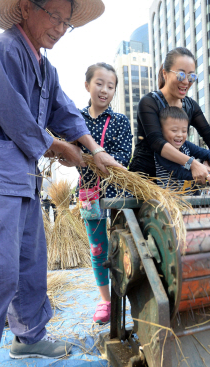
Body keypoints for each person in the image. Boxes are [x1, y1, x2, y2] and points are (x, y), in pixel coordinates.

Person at [0, 1, 124, 366]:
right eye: (54, 16)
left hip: (25, 177)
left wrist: (93, 149)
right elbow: (14, 115)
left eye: (67, 22)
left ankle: (29, 337)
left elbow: (67, 113)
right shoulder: (1, 50)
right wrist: (57, 147)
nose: (60, 27)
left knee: (30, 263)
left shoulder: (47, 67)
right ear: (26, 7)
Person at [77, 62, 132, 325]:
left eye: (110, 86)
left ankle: (127, 294)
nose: (104, 90)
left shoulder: (120, 121)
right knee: (98, 248)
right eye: (99, 83)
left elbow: (123, 157)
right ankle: (105, 301)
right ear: (87, 85)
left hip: (117, 193)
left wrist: (91, 158)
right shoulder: (76, 119)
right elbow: (70, 153)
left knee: (123, 244)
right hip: (89, 194)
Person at [129, 47, 210, 183]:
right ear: (165, 73)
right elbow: (157, 142)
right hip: (146, 180)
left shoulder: (190, 105)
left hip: (178, 182)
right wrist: (193, 164)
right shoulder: (149, 102)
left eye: (191, 76)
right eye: (181, 75)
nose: (186, 82)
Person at [155, 106, 210, 192]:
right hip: (171, 200)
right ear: (161, 130)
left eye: (184, 131)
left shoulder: (186, 145)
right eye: (174, 130)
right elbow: (180, 173)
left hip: (192, 199)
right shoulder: (162, 152)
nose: (180, 135)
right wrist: (209, 174)